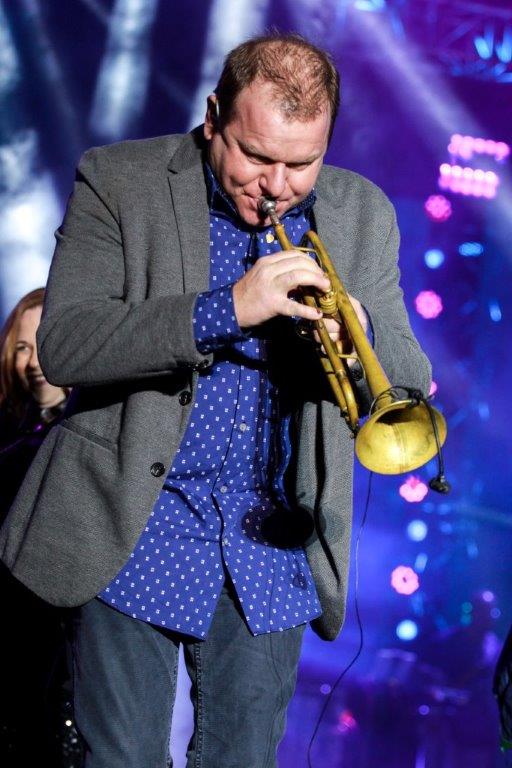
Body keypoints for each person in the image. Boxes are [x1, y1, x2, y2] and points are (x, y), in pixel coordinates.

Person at [0, 34, 432, 767]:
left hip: (271, 544)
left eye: (303, 163)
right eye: (256, 157)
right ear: (212, 119)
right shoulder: (119, 179)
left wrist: (357, 325)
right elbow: (67, 344)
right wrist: (226, 308)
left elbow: (411, 377)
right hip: (132, 521)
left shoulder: (363, 212)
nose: (278, 185)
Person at [0, 288, 82, 766]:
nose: (32, 363)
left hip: (60, 639)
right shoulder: (10, 435)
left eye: (43, 345)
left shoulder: (78, 441)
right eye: (21, 348)